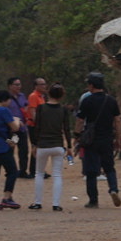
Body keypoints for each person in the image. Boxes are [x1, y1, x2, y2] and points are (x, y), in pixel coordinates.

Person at [77, 72, 121, 208]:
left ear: (91, 85)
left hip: (91, 140)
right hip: (107, 139)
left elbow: (80, 120)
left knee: (91, 171)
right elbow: (117, 121)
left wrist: (76, 135)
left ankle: (93, 200)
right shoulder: (111, 101)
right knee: (109, 167)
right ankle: (113, 189)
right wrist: (118, 138)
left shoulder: (87, 101)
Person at [28, 83, 74, 212]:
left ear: (48, 93)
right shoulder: (63, 110)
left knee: (39, 173)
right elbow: (66, 129)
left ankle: (37, 202)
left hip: (43, 145)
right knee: (57, 175)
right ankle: (56, 204)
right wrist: (69, 146)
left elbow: (37, 127)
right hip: (57, 145)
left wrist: (34, 144)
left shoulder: (41, 108)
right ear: (62, 95)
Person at [0, 90, 23, 211]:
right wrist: (17, 120)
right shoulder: (4, 111)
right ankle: (7, 197)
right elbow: (15, 127)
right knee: (12, 171)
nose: (9, 103)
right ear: (3, 100)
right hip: (3, 146)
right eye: (8, 100)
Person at [6, 76, 31, 184]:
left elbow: (26, 106)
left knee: (24, 150)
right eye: (16, 84)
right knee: (10, 149)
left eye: (19, 84)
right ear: (10, 86)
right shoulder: (6, 98)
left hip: (21, 129)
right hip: (11, 130)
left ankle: (23, 171)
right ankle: (10, 170)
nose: (18, 87)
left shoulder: (22, 96)